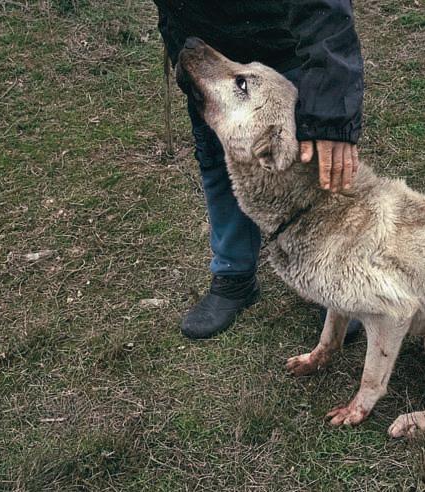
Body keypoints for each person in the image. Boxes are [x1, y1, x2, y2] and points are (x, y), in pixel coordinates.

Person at [153, 1, 364, 339]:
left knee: (310, 169)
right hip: (205, 44)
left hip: (285, 42)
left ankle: (331, 276)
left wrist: (331, 109)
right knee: (219, 161)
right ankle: (233, 275)